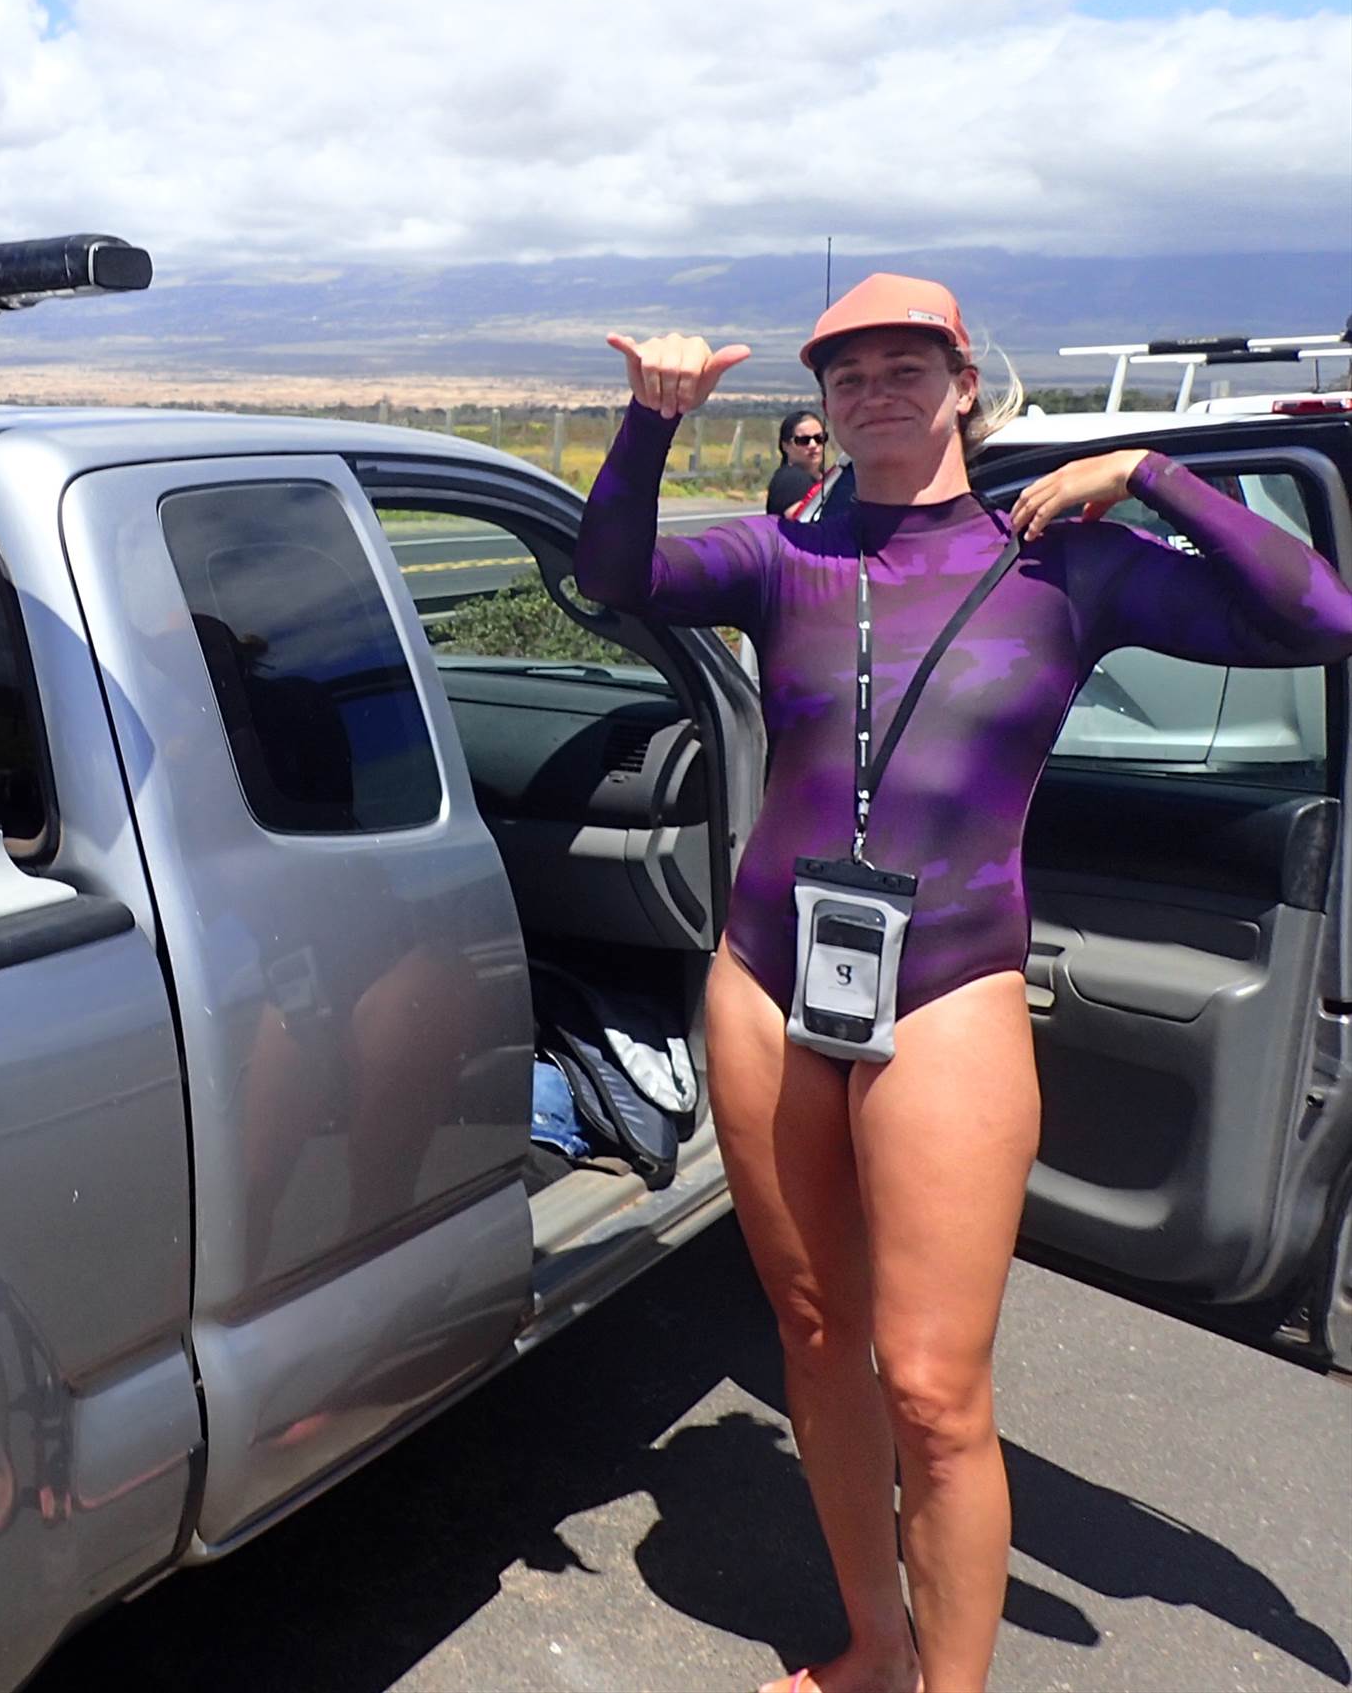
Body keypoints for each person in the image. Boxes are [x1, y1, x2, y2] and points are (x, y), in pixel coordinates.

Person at [575, 273, 1352, 1693]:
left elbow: (1320, 618)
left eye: (904, 366)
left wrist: (1154, 471)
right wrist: (649, 422)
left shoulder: (1066, 562)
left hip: (947, 990)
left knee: (934, 1392)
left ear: (962, 385)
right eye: (846, 373)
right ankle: (874, 1648)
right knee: (816, 1335)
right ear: (821, 403)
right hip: (765, 980)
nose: (874, 390)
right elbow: (615, 576)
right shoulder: (784, 556)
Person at [766, 406, 831, 516]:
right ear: (785, 446)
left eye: (819, 438)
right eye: (803, 440)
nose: (813, 445)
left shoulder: (828, 477)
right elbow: (802, 520)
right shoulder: (791, 479)